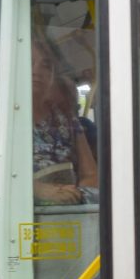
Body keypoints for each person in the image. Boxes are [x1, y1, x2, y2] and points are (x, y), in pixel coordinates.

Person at [31, 37, 98, 205]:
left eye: (46, 65)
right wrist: (38, 190)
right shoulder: (2, 118)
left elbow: (91, 175)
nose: (37, 71)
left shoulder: (66, 118)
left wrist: (74, 196)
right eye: (29, 62)